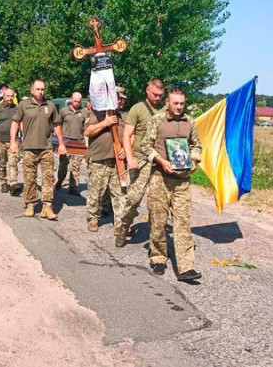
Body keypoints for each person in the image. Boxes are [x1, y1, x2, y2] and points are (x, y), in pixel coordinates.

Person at [139, 88, 202, 281]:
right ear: (167, 102)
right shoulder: (157, 120)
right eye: (175, 103)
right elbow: (145, 146)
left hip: (182, 181)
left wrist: (194, 159)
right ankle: (158, 257)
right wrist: (160, 161)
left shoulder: (189, 122)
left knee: (183, 221)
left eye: (182, 103)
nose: (178, 107)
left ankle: (185, 267)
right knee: (158, 220)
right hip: (160, 178)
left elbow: (197, 145)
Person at [116, 78, 166, 243]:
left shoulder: (167, 110)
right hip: (141, 159)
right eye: (155, 94)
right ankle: (124, 226)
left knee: (157, 200)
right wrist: (130, 158)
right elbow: (127, 134)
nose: (157, 98)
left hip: (159, 160)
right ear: (147, 90)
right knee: (134, 198)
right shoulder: (137, 109)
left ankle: (156, 236)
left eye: (160, 95)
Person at [10, 80, 66, 220]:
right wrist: (13, 142)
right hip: (29, 148)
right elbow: (15, 123)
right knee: (30, 178)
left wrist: (61, 143)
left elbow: (57, 125)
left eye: (42, 89)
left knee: (48, 178)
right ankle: (30, 204)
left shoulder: (51, 106)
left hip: (46, 148)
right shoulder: (23, 105)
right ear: (32, 90)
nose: (41, 92)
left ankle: (47, 206)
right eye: (38, 89)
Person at [84, 87, 127, 233]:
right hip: (98, 159)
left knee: (119, 193)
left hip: (117, 161)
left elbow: (129, 136)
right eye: (117, 98)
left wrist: (126, 150)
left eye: (121, 98)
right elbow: (88, 131)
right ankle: (93, 219)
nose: (120, 101)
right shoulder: (97, 113)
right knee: (96, 192)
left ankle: (119, 224)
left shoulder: (123, 116)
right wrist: (106, 122)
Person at [0, 88, 20, 195]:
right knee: (2, 163)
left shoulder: (17, 108)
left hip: (13, 141)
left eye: (12, 96)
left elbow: (20, 123)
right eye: (8, 96)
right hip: (0, 140)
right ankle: (3, 182)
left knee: (13, 163)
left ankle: (13, 184)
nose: (10, 98)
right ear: (4, 96)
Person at [56, 92, 86, 196]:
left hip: (78, 143)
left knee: (76, 166)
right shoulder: (64, 111)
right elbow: (58, 125)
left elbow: (85, 128)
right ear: (71, 99)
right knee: (63, 165)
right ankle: (60, 181)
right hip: (66, 142)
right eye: (75, 101)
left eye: (79, 101)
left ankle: (73, 187)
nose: (77, 103)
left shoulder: (83, 113)